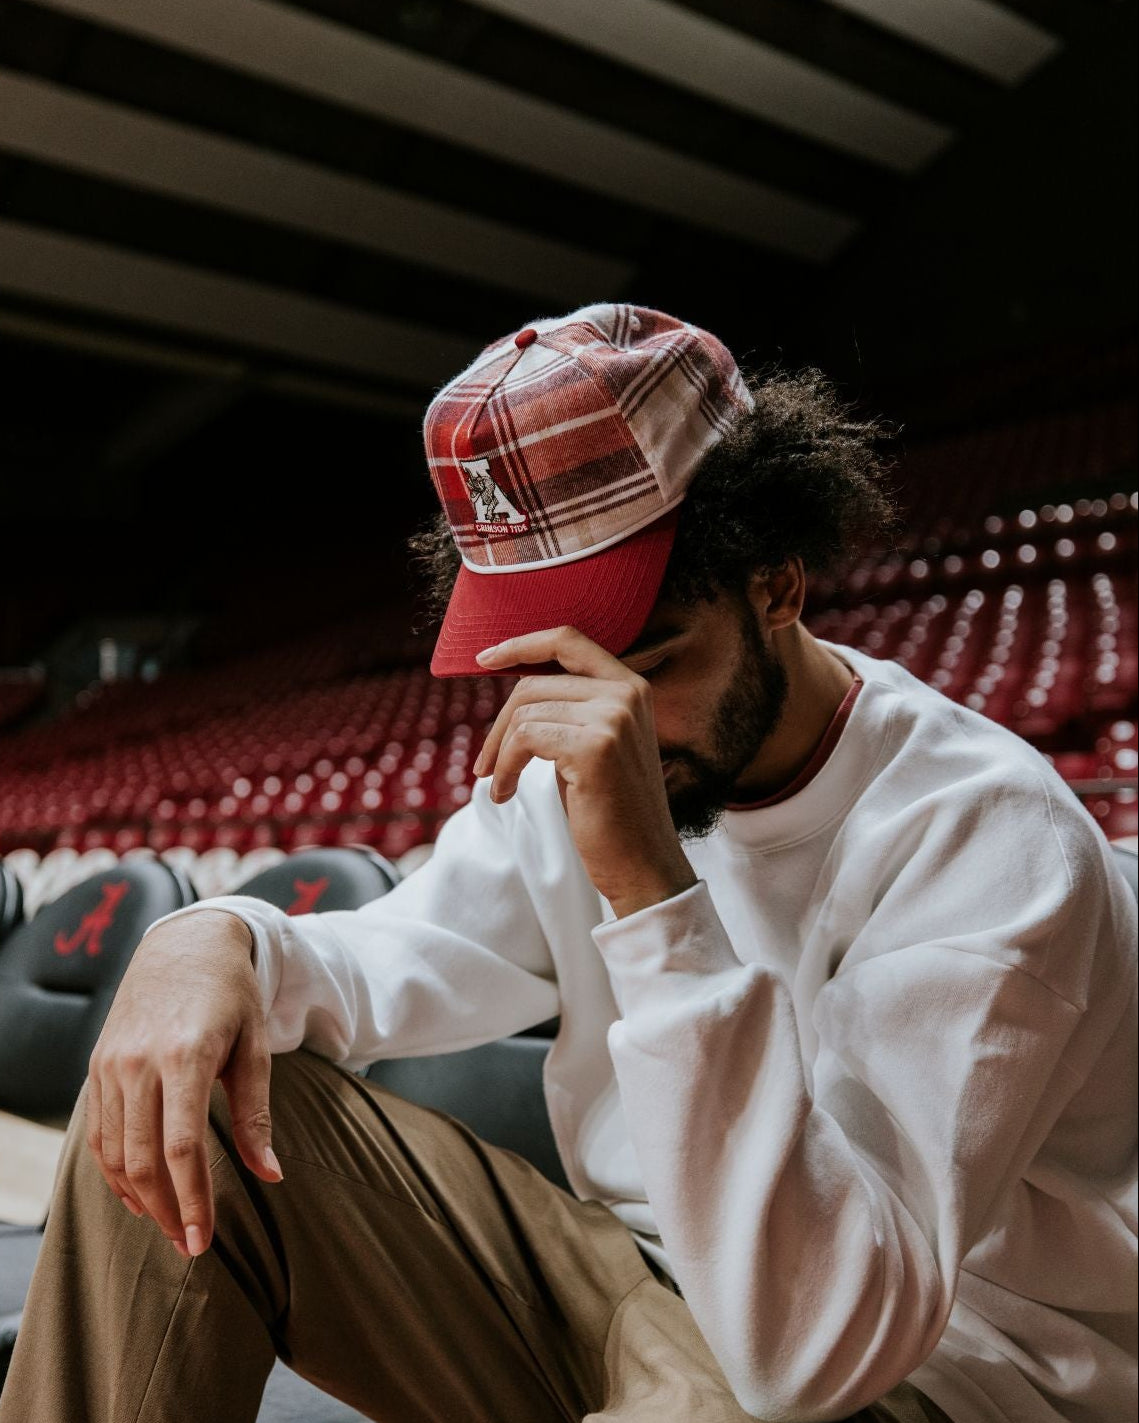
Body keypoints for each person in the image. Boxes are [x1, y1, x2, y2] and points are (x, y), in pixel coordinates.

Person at [2, 305, 1134, 1423]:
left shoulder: (988, 838)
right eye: (548, 665)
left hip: (936, 1366)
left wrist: (653, 893)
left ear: (777, 583)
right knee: (179, 1093)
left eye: (646, 660)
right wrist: (218, 940)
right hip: (626, 1271)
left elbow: (815, 1345)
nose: (601, 721)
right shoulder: (576, 767)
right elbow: (401, 951)